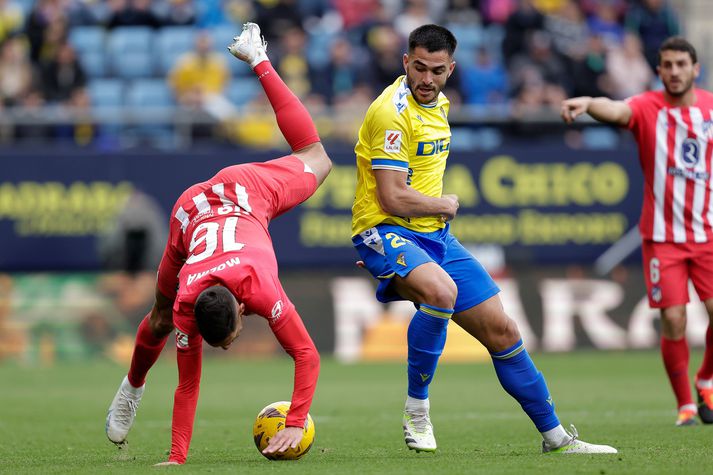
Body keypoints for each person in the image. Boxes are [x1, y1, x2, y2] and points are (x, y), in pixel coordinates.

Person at [351, 23, 617, 454]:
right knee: (442, 291)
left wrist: (438, 216)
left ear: (451, 69)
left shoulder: (440, 105)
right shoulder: (391, 112)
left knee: (503, 330)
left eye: (437, 71)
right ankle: (416, 410)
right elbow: (391, 196)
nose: (427, 79)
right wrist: (443, 204)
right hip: (382, 230)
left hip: (433, 237)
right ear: (405, 62)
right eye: (418, 68)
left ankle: (556, 438)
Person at [105, 22, 332, 465]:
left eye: (225, 341)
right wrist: (176, 458)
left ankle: (258, 56)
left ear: (238, 307)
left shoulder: (259, 287)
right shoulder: (188, 303)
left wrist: (294, 421)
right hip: (190, 216)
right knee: (159, 318)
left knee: (317, 157)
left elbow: (307, 355)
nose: (228, 347)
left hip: (245, 195)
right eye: (226, 342)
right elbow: (189, 384)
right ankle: (132, 387)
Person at [561, 36, 713, 427]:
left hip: (708, 234)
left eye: (682, 64)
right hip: (663, 238)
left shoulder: (711, 109)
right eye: (667, 65)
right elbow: (614, 109)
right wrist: (587, 102)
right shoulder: (647, 107)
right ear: (658, 70)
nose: (674, 72)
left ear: (695, 69)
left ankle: (706, 380)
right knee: (674, 320)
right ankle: (685, 405)